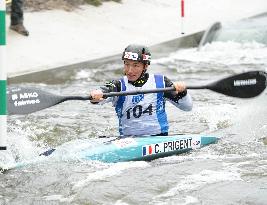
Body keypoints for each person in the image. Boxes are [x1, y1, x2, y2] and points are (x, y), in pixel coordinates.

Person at [90, 44, 192, 136]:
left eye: (135, 65)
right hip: (128, 140)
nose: (130, 70)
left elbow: (187, 107)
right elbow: (102, 93)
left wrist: (183, 92)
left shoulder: (160, 82)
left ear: (145, 66)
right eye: (127, 64)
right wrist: (97, 94)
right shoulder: (118, 85)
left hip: (158, 138)